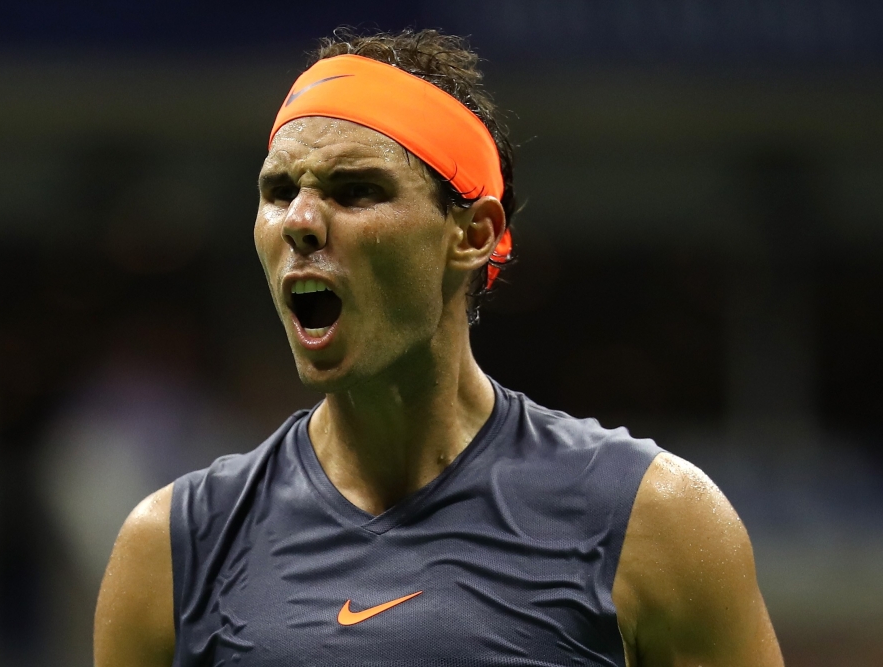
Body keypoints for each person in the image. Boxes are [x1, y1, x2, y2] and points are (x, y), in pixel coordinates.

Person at [94, 29, 784, 667]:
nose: (300, 221)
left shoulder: (654, 520)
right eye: (278, 191)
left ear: (472, 232)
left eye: (356, 189)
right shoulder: (174, 548)